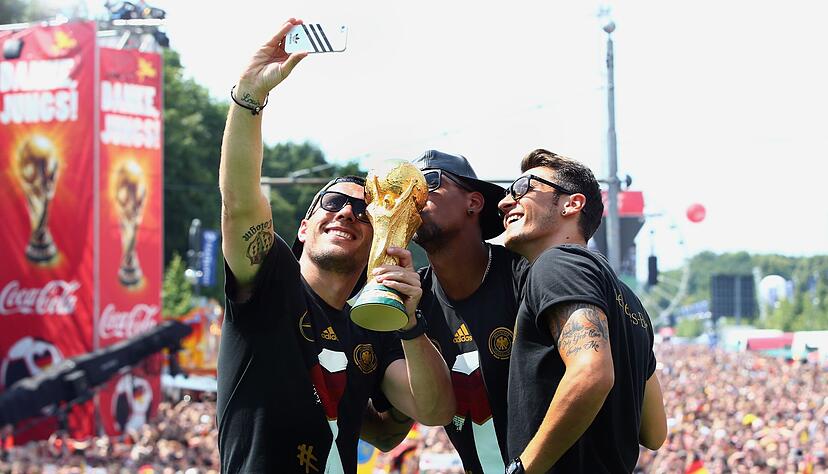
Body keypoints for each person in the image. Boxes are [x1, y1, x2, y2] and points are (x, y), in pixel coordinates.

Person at [217, 19, 454, 474]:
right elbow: (240, 201)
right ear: (304, 226)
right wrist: (248, 97)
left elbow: (433, 411)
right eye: (333, 202)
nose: (347, 213)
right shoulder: (271, 282)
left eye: (364, 210)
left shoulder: (375, 321)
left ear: (378, 236)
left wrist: (409, 323)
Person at [497, 149, 667, 473]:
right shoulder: (630, 301)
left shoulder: (557, 263)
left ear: (571, 204)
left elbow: (591, 373)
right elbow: (655, 433)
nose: (505, 202)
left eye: (522, 188)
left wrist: (524, 469)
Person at [361, 150, 529, 473]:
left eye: (428, 182)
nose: (415, 196)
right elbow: (388, 428)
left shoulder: (526, 278)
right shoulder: (407, 300)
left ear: (474, 203)